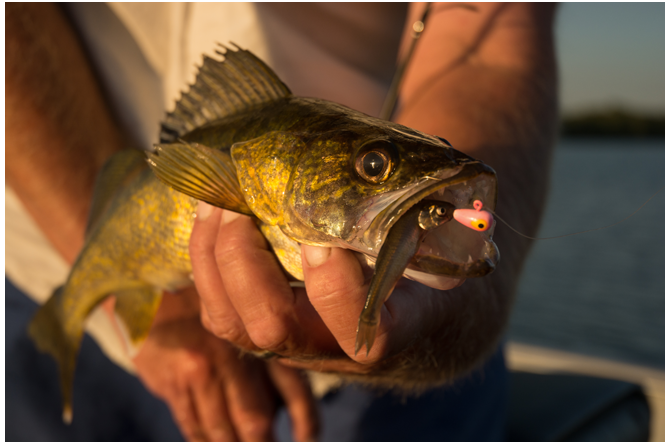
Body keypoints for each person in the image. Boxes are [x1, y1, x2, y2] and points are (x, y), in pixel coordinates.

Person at [6, 2, 557, 441]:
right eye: (373, 166)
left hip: (382, 378)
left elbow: (490, 50)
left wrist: (462, 309)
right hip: (43, 260)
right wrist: (170, 317)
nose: (376, 173)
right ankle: (64, 321)